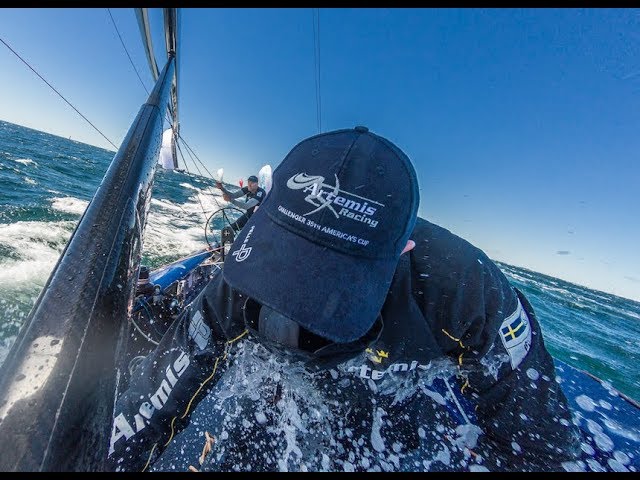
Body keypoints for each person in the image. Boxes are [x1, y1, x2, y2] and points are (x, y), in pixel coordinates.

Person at [107, 126, 582, 472]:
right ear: (266, 219)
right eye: (287, 260)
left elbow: (539, 446)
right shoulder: (243, 271)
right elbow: (152, 404)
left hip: (391, 395)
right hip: (278, 390)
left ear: (403, 251)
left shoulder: (466, 292)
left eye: (329, 281)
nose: (295, 298)